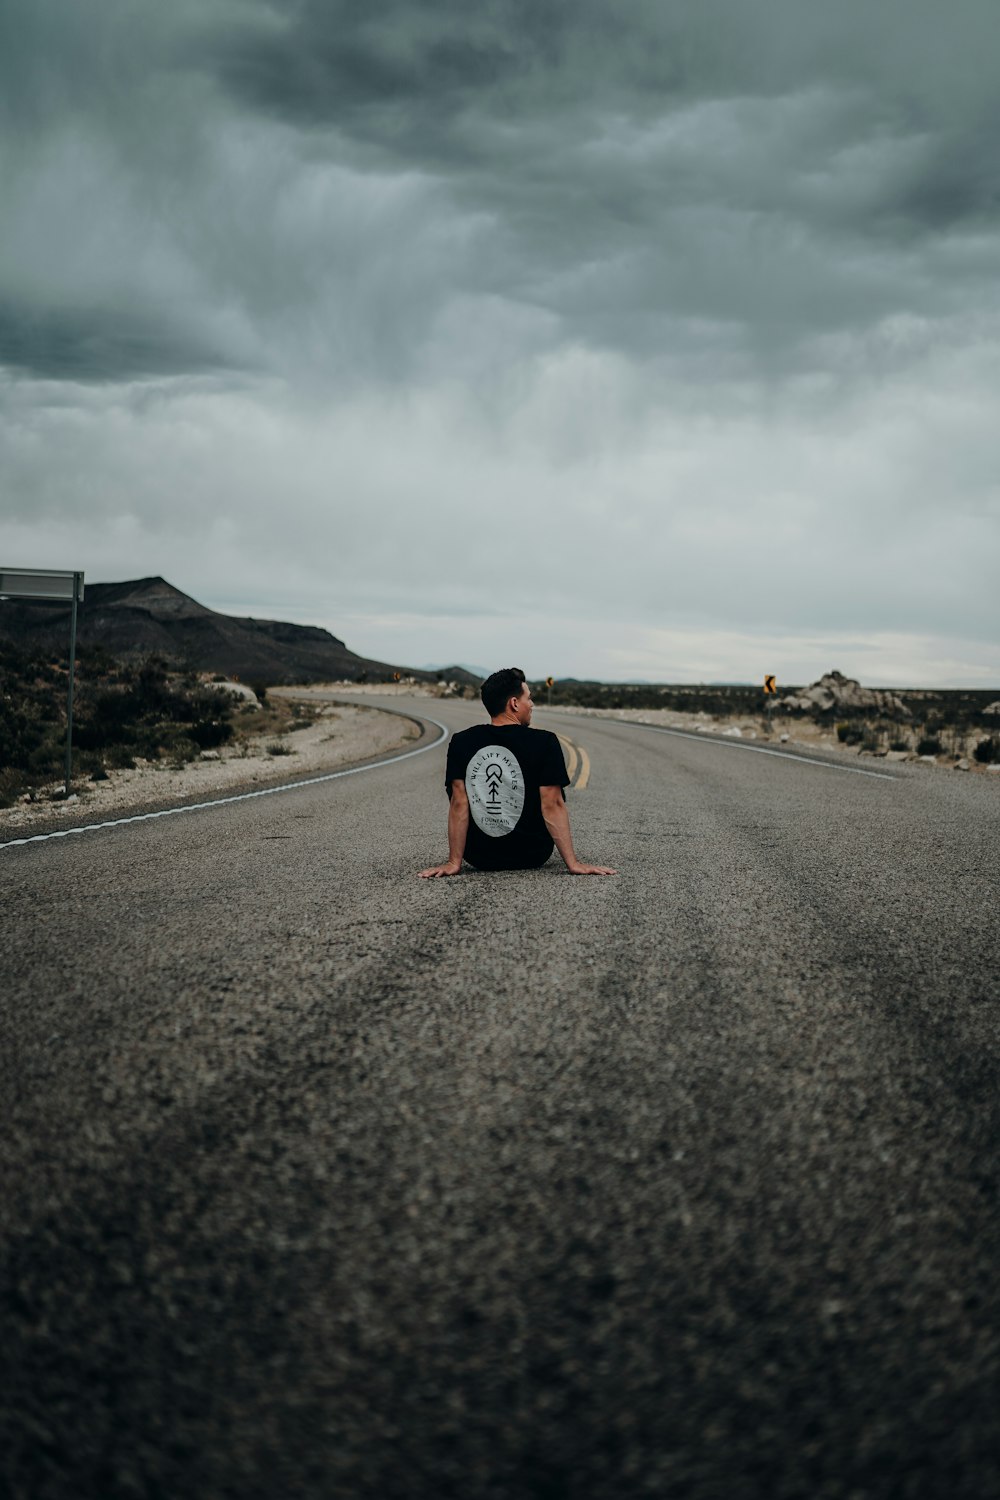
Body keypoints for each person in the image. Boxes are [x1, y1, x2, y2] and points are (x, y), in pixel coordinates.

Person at [419, 667, 616, 878]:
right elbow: (552, 803)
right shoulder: (545, 741)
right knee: (552, 790)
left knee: (463, 791)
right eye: (528, 699)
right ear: (514, 703)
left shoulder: (461, 741)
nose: (531, 705)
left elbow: (459, 802)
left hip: (480, 857)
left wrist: (453, 862)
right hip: (532, 854)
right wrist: (573, 863)